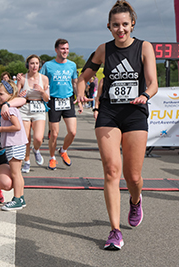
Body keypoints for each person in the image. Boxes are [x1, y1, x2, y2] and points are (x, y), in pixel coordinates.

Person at [77, 0, 158, 250]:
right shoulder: (104, 49)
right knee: (112, 171)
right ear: (109, 27)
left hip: (134, 113)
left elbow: (153, 82)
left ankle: (135, 200)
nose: (120, 29)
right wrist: (80, 91)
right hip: (109, 113)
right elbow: (84, 76)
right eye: (115, 25)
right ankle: (114, 230)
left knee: (132, 176)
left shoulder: (144, 47)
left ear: (132, 24)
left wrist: (146, 95)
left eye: (124, 24)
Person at [40, 39, 81, 170]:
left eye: (67, 49)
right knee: (54, 134)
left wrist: (78, 97)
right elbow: (40, 81)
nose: (65, 51)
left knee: (73, 132)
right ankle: (52, 158)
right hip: (53, 100)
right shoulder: (47, 65)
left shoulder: (72, 65)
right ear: (56, 50)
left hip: (68, 100)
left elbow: (75, 83)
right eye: (63, 49)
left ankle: (63, 150)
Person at [0, 80, 28, 210]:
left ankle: (17, 199)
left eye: (1, 94)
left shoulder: (10, 110)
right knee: (17, 173)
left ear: (10, 95)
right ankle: (21, 197)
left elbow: (17, 127)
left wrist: (0, 129)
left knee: (15, 173)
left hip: (15, 144)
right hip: (15, 144)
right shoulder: (10, 108)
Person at [17, 55, 50, 173]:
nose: (34, 66)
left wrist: (42, 91)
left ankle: (36, 150)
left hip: (39, 108)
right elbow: (15, 94)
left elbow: (47, 99)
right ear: (27, 65)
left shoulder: (44, 79)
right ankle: (26, 162)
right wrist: (19, 95)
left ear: (39, 65)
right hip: (25, 108)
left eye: (36, 63)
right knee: (26, 138)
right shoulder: (22, 78)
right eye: (32, 63)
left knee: (38, 137)